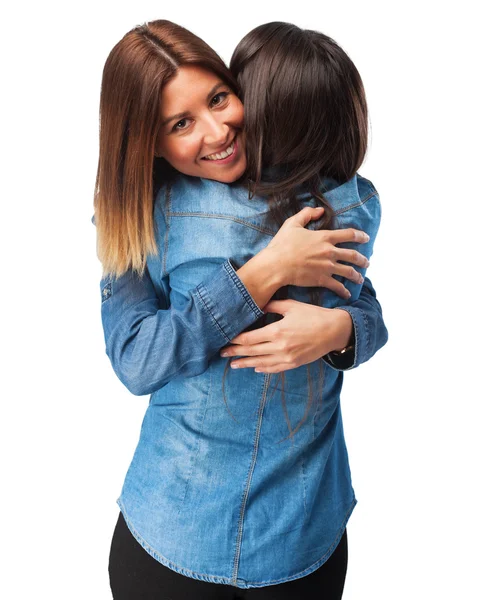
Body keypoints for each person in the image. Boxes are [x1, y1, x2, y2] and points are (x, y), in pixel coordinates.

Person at [93, 19, 387, 599]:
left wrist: (340, 329)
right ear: (147, 143)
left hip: (303, 528)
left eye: (220, 98)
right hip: (173, 528)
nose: (218, 130)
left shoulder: (329, 196)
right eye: (181, 124)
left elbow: (366, 303)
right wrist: (258, 277)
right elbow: (136, 360)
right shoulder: (142, 210)